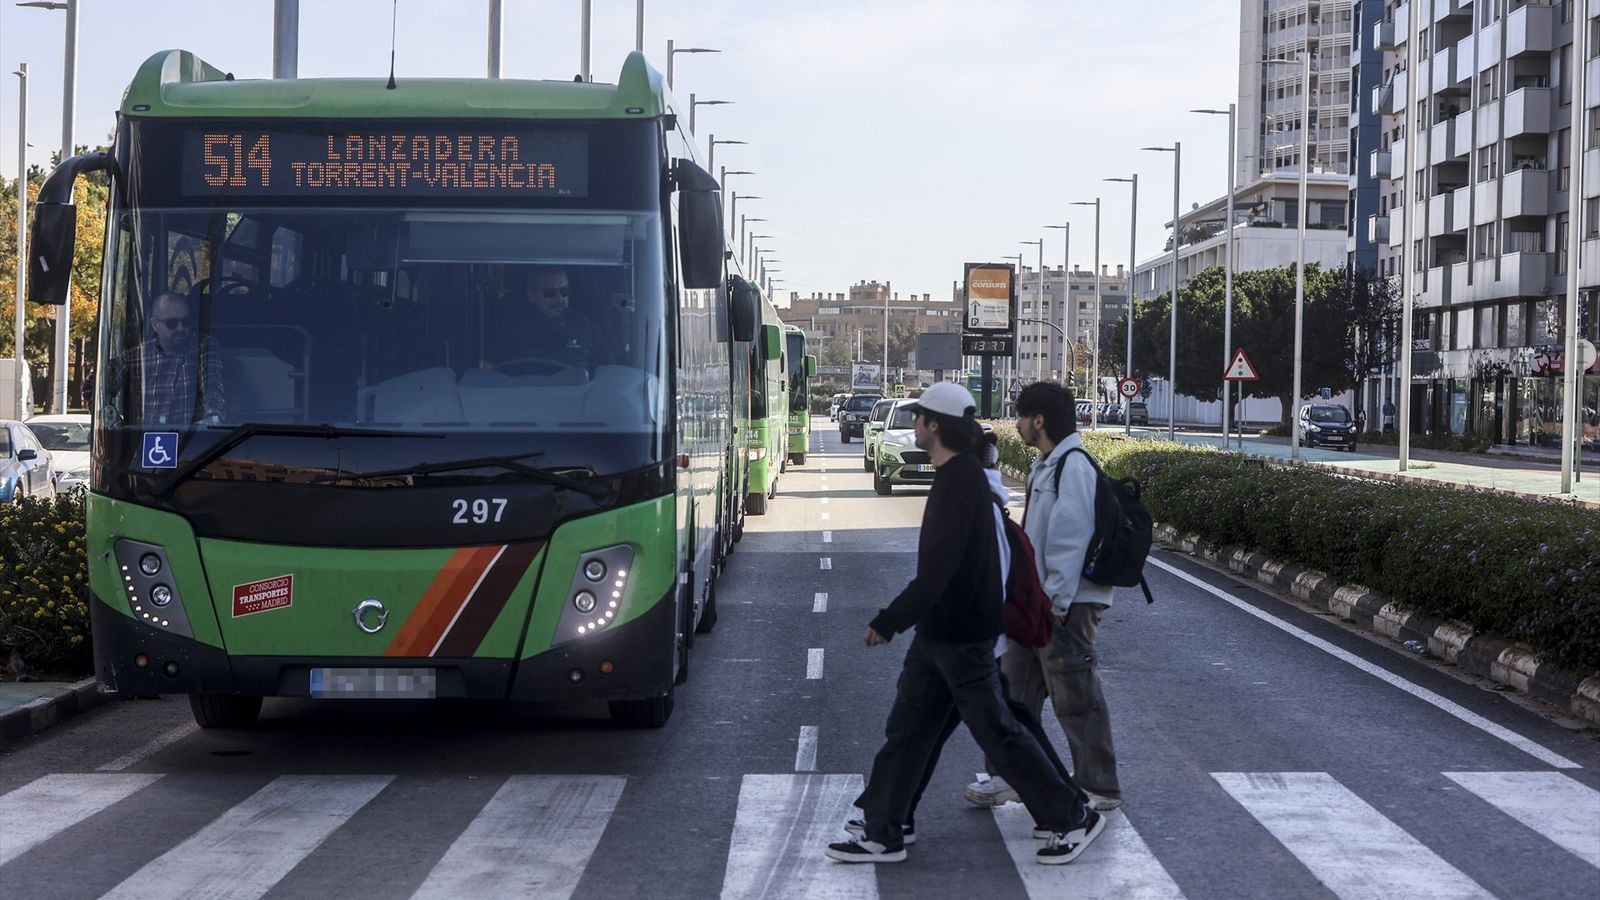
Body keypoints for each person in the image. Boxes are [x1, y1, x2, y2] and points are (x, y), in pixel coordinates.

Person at [827, 381, 1104, 866]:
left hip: (962, 637)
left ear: (935, 426)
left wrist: (888, 621)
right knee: (909, 731)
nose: (913, 424)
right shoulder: (959, 476)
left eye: (918, 418)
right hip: (941, 636)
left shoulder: (960, 484)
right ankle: (886, 826)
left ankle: (1071, 815)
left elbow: (936, 574)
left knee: (999, 732)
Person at [966, 382, 1122, 814]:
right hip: (1036, 603)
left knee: (1076, 697)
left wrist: (1053, 603)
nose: (1015, 425)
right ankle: (1007, 777)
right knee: (1013, 692)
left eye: (1020, 417)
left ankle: (1099, 785)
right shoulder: (1048, 464)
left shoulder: (1073, 466)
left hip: (1064, 605)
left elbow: (1069, 540)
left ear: (1039, 421)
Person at [118, 291, 226, 425]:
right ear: (155, 325)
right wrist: (113, 422)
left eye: (186, 321)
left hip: (193, 441)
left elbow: (213, 386)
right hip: (148, 441)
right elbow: (94, 386)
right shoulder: (137, 356)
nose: (181, 328)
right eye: (172, 323)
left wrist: (212, 417)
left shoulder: (203, 346)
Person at [485, 266, 609, 372]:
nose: (560, 300)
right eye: (549, 293)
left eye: (564, 291)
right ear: (532, 295)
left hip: (577, 399)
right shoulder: (509, 332)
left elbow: (609, 377)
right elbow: (492, 377)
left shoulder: (588, 330)